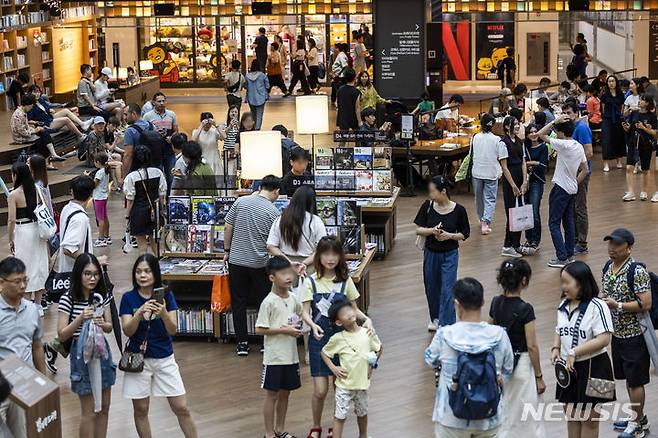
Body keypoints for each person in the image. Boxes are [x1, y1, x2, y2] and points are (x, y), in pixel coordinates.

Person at [299, 235, 374, 438]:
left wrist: (367, 320)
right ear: (319, 256)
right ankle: (316, 426)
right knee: (320, 390)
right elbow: (304, 311)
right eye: (326, 254)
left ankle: (335, 425)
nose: (330, 258)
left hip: (344, 340)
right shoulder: (311, 282)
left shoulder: (345, 281)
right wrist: (312, 325)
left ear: (340, 256)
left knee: (338, 387)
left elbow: (355, 309)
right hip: (319, 340)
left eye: (334, 254)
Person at [120, 254, 198, 438]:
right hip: (137, 359)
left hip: (164, 357)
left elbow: (173, 330)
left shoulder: (167, 295)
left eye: (147, 271)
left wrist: (163, 312)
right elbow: (127, 331)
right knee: (141, 409)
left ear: (155, 273)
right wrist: (139, 313)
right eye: (138, 271)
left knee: (181, 407)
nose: (142, 275)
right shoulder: (128, 298)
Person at [425, 277, 514, 438]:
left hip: (450, 416)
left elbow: (430, 359)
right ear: (482, 303)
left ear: (457, 305)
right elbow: (508, 369)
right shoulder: (499, 335)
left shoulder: (444, 335)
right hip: (489, 415)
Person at [551, 261, 615, 438]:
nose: (563, 287)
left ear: (581, 282)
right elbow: (559, 329)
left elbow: (604, 339)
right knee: (572, 417)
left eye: (567, 282)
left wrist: (575, 352)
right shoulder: (563, 305)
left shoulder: (598, 306)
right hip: (568, 369)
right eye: (561, 282)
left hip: (595, 368)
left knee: (589, 422)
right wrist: (556, 347)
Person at [599, 229, 652, 438]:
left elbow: (646, 303)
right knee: (628, 380)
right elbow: (606, 293)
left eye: (617, 245)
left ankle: (638, 424)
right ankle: (638, 416)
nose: (611, 249)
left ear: (628, 248)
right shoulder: (608, 267)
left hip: (635, 335)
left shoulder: (636, 271)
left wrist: (618, 305)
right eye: (610, 244)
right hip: (617, 334)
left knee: (636, 381)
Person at [57, 253, 115, 438]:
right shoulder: (68, 298)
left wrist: (100, 322)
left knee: (104, 407)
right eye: (87, 274)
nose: (92, 278)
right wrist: (81, 318)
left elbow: (109, 327)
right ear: (78, 274)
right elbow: (62, 333)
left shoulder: (101, 296)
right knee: (89, 411)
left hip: (101, 351)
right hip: (80, 353)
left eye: (96, 274)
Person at [224, 175, 281, 356]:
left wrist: (227, 250)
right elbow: (275, 241)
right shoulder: (273, 212)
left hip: (236, 260)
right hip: (260, 263)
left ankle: (241, 343)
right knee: (263, 302)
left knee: (238, 301)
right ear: (275, 191)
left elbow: (228, 226)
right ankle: (265, 341)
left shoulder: (240, 202)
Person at [489, 259, 546, 438]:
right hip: (521, 366)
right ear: (524, 281)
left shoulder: (495, 303)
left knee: (505, 410)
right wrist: (539, 376)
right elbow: (532, 346)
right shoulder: (526, 309)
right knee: (525, 415)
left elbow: (491, 334)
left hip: (501, 365)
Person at [254, 256, 303, 438]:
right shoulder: (268, 302)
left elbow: (300, 314)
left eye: (289, 273)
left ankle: (280, 430)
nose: (288, 277)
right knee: (272, 395)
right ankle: (269, 434)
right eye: (283, 274)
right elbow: (259, 329)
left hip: (291, 355)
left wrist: (302, 328)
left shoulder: (293, 298)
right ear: (272, 278)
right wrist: (285, 330)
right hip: (274, 357)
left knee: (285, 394)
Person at [414, 176, 470, 330]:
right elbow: (418, 229)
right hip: (431, 253)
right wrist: (432, 231)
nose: (430, 195)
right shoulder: (428, 206)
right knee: (431, 287)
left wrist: (449, 236)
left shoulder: (459, 210)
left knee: (448, 289)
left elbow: (465, 233)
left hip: (450, 253)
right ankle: (436, 318)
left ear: (443, 191)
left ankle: (448, 324)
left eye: (433, 191)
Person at [321, 299, 382, 438]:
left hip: (362, 384)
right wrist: (333, 368)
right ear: (338, 322)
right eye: (343, 313)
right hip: (344, 386)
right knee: (340, 416)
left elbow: (379, 348)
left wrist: (372, 365)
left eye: (349, 309)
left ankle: (363, 435)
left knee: (362, 413)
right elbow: (324, 352)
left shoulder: (367, 333)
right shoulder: (338, 338)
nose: (348, 314)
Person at [0, 257, 46, 438]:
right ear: (1, 283)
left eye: (25, 280)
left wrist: (43, 383)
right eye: (17, 281)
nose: (22, 286)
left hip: (23, 388)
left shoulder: (33, 310)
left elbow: (37, 347)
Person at [536, 116, 588, 268]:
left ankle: (561, 257)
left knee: (553, 223)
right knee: (569, 222)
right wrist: (574, 182)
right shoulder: (578, 146)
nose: (556, 133)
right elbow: (585, 170)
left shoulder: (563, 144)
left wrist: (554, 121)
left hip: (560, 188)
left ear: (562, 132)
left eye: (557, 131)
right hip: (572, 189)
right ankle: (569, 254)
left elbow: (540, 134)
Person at [7, 162, 49, 313]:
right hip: (38, 230)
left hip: (22, 231)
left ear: (16, 175)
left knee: (25, 267)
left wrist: (10, 238)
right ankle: (38, 305)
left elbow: (11, 220)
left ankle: (27, 305)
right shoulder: (36, 189)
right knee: (39, 266)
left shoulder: (13, 194)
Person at [561, 100, 593, 256]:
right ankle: (574, 239)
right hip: (571, 174)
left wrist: (578, 168)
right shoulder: (571, 127)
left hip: (580, 174)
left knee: (580, 207)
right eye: (564, 113)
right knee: (572, 207)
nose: (566, 116)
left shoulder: (582, 128)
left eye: (569, 113)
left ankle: (582, 242)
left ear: (576, 113)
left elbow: (589, 152)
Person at [123, 146, 167, 255]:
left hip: (138, 213)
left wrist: (127, 216)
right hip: (155, 211)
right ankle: (158, 267)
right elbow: (162, 195)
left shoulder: (131, 176)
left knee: (142, 247)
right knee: (156, 245)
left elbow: (130, 200)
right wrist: (162, 212)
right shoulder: (158, 172)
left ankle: (144, 267)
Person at [471, 113, 508, 235]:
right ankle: (485, 222)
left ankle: (481, 218)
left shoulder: (475, 137)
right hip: (491, 172)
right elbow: (500, 156)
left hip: (477, 171)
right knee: (490, 198)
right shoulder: (497, 140)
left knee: (479, 197)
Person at [11, 93, 66, 167]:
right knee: (42, 140)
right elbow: (23, 132)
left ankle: (52, 156)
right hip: (20, 138)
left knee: (44, 132)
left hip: (25, 134)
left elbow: (25, 127)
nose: (32, 107)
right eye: (31, 105)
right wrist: (35, 130)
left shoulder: (22, 112)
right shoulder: (19, 115)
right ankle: (49, 158)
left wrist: (34, 128)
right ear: (28, 104)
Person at [499, 116, 528, 258]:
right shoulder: (503, 143)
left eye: (518, 124)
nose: (517, 126)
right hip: (510, 179)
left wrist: (525, 180)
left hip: (520, 177)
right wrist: (513, 185)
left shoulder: (520, 141)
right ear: (506, 127)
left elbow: (523, 162)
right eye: (514, 124)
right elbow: (504, 167)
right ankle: (507, 245)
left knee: (519, 211)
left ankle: (516, 244)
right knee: (511, 212)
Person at [622, 94, 658, 202]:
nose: (640, 101)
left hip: (645, 144)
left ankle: (644, 191)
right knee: (629, 167)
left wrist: (644, 128)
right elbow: (631, 127)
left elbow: (655, 133)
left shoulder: (652, 116)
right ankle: (631, 192)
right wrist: (627, 128)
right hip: (633, 143)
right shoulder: (634, 113)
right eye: (640, 99)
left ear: (647, 103)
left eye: (642, 100)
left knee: (645, 169)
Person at [58, 176, 95, 273]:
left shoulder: (66, 208)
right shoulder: (80, 218)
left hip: (68, 271)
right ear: (91, 194)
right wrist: (93, 261)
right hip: (77, 273)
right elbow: (68, 249)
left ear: (72, 192)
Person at [522, 124, 549, 253]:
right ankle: (528, 238)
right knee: (527, 211)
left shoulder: (543, 147)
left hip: (537, 182)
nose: (533, 134)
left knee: (534, 211)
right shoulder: (524, 147)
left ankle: (535, 241)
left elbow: (543, 166)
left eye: (535, 132)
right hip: (525, 181)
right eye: (530, 132)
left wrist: (528, 163)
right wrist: (535, 163)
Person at [26, 85, 91, 137]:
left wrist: (50, 110)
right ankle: (81, 136)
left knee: (65, 111)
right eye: (35, 92)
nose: (37, 94)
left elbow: (47, 108)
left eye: (38, 92)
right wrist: (36, 122)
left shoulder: (41, 100)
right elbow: (28, 119)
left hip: (49, 117)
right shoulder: (30, 105)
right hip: (46, 124)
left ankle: (82, 124)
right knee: (66, 119)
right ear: (30, 93)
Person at [143, 92, 178, 187]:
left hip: (169, 150)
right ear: (154, 102)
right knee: (156, 177)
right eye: (159, 101)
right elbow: (144, 134)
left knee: (171, 177)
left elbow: (176, 131)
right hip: (154, 152)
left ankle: (169, 199)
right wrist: (155, 134)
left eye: (163, 101)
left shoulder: (171, 114)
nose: (162, 103)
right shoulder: (147, 116)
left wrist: (172, 138)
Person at [122, 103, 163, 177]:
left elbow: (128, 155)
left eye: (126, 114)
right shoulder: (151, 126)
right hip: (155, 168)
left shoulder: (130, 131)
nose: (124, 118)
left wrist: (124, 176)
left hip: (138, 171)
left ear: (133, 114)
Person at [601, 75, 626, 171]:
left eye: (613, 81)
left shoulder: (620, 94)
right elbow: (602, 109)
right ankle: (606, 164)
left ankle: (618, 161)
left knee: (618, 139)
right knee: (606, 140)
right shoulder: (604, 95)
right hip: (607, 119)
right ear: (607, 83)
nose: (611, 83)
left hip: (618, 119)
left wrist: (621, 117)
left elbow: (622, 108)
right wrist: (606, 117)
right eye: (609, 81)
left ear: (616, 82)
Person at [92, 152, 111, 247]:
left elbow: (94, 184)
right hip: (104, 196)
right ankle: (107, 236)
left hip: (98, 197)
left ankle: (101, 238)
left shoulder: (99, 172)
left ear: (98, 162)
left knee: (100, 218)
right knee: (104, 216)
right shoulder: (106, 170)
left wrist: (88, 178)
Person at [245, 59, 270, 130]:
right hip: (261, 97)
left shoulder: (247, 76)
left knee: (252, 113)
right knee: (259, 114)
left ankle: (252, 126)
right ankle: (257, 128)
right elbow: (267, 86)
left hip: (250, 97)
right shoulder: (262, 75)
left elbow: (245, 86)